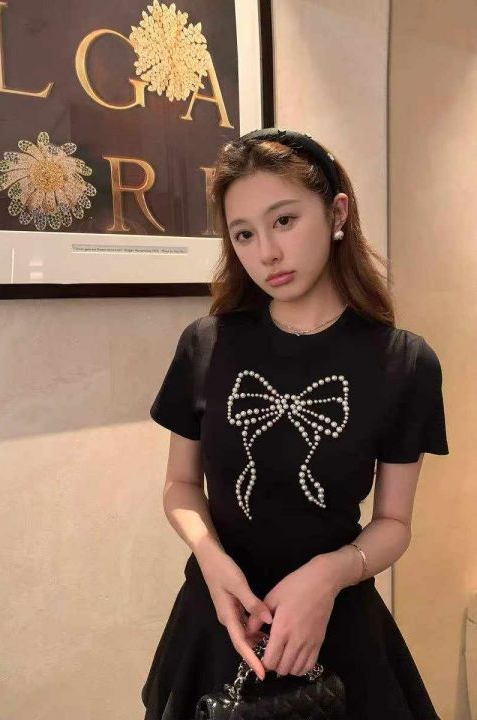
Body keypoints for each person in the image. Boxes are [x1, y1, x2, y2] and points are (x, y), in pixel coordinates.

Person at [141, 128, 449, 720]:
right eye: (244, 234)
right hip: (219, 620)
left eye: (284, 221)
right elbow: (180, 485)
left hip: (337, 628)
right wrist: (210, 559)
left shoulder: (405, 363)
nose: (267, 253)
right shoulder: (206, 344)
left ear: (338, 213)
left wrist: (328, 576)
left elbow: (393, 522)